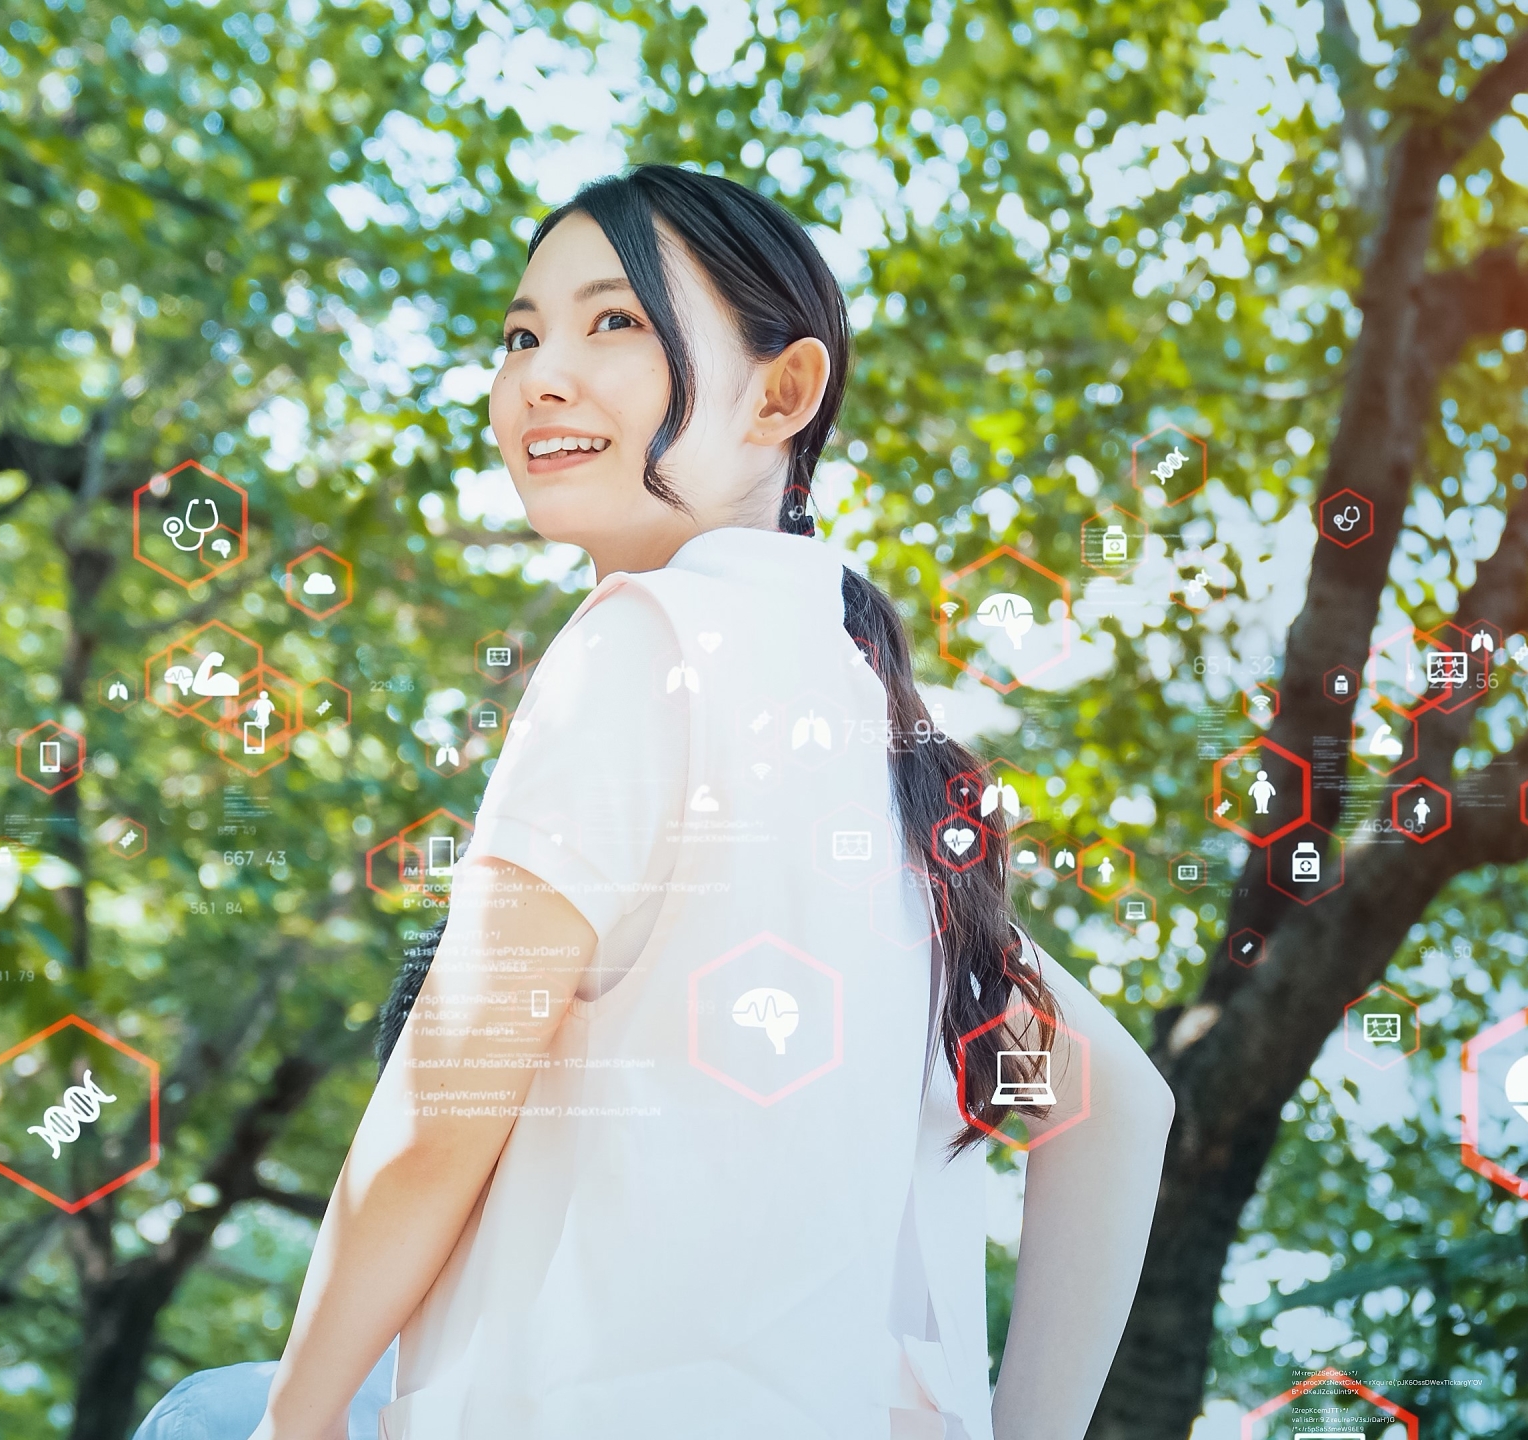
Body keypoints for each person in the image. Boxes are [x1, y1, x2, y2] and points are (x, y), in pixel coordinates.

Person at [133, 165, 1171, 1440]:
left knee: (209, 1417)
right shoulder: (868, 743)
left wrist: (299, 1427)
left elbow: (437, 1118)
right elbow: (1117, 1106)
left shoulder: (642, 647)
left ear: (782, 394)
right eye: (521, 334)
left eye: (613, 321)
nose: (539, 374)